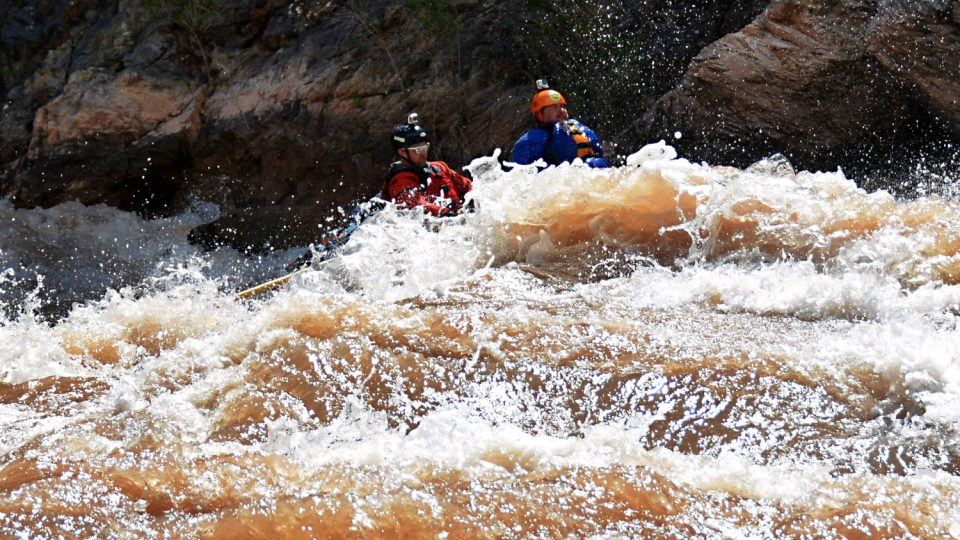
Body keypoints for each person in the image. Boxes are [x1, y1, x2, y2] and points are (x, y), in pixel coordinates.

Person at [381, 113, 473, 217]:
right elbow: (415, 205)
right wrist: (446, 213)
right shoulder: (400, 180)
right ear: (402, 152)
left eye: (425, 147)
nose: (423, 153)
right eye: (418, 149)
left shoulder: (440, 168)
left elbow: (468, 186)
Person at [510, 80, 610, 168]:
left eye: (563, 106)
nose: (561, 110)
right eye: (554, 107)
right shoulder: (536, 137)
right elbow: (518, 168)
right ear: (540, 115)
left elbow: (598, 149)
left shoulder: (577, 126)